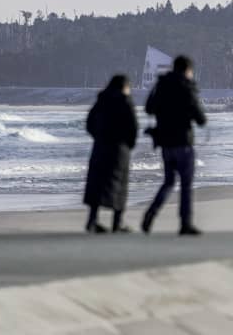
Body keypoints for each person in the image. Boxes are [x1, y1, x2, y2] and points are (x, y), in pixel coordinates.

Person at [142, 55, 207, 235]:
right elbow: (200, 119)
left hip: (165, 144)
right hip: (183, 143)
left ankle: (151, 213)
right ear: (188, 70)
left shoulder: (161, 85)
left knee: (168, 182)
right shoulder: (187, 87)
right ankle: (185, 223)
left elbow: (148, 108)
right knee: (186, 185)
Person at [83, 74, 138, 233]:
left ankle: (92, 221)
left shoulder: (101, 101)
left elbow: (89, 123)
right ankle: (117, 222)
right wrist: (129, 145)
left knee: (97, 185)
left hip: (100, 148)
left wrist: (98, 137)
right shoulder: (125, 102)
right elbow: (133, 127)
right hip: (119, 150)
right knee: (119, 184)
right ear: (124, 87)